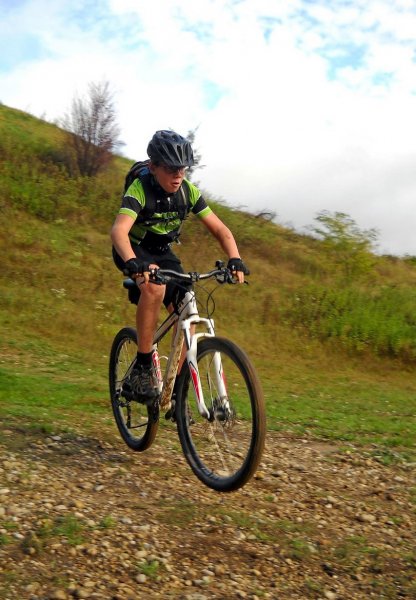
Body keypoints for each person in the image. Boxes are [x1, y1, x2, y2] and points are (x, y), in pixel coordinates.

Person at [110, 129, 249, 405]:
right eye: (171, 169)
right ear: (153, 167)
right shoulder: (140, 190)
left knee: (188, 306)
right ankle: (142, 365)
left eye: (183, 169)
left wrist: (234, 258)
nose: (178, 175)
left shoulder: (188, 192)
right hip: (133, 249)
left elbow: (220, 229)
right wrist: (132, 263)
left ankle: (175, 384)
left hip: (163, 252)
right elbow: (119, 231)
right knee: (155, 288)